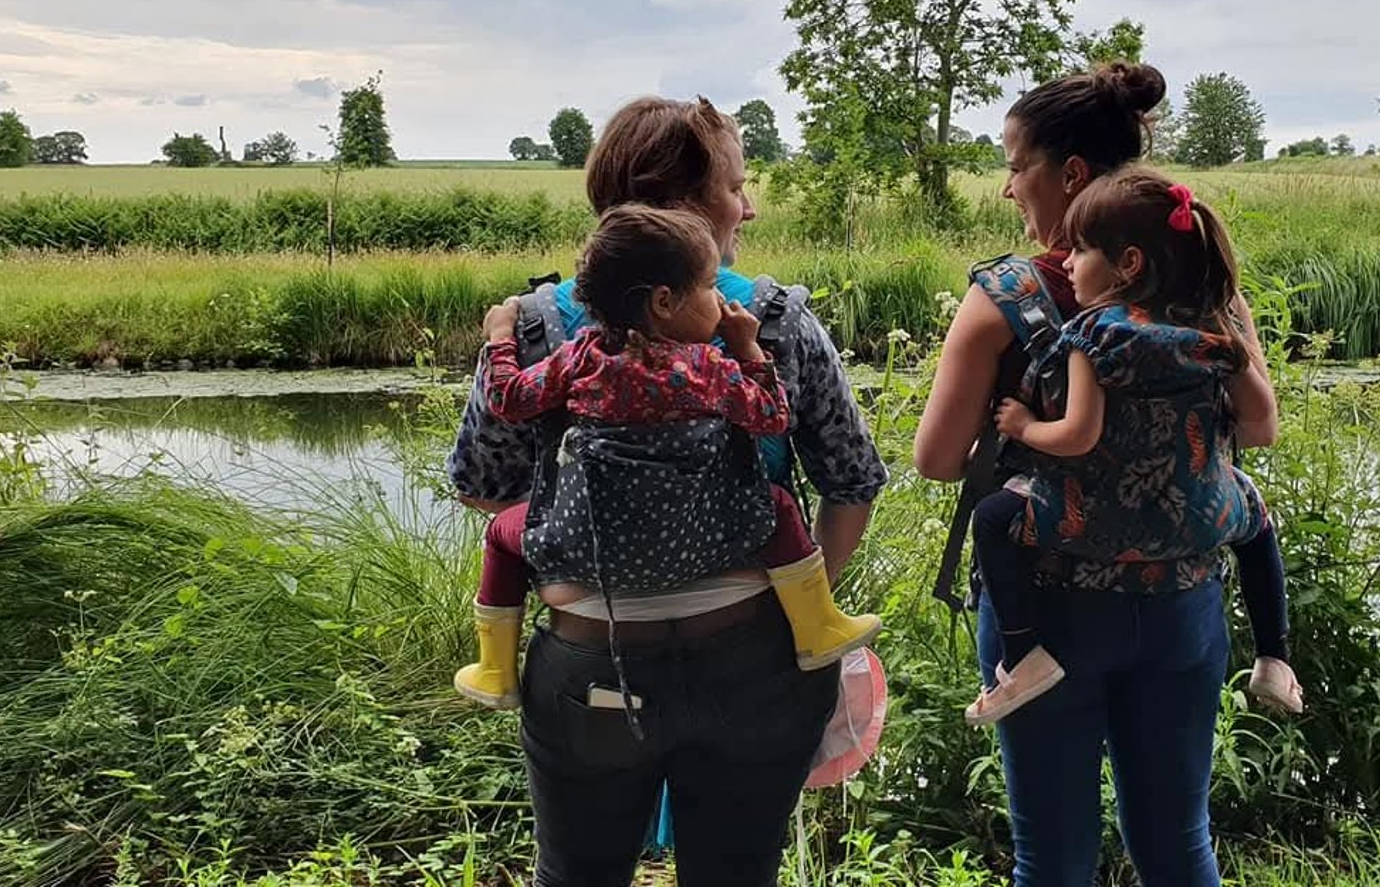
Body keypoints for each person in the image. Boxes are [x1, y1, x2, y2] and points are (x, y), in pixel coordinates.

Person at [446, 95, 886, 887]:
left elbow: (482, 485)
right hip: (757, 663)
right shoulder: (772, 321)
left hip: (590, 666)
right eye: (735, 186)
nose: (747, 206)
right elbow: (852, 480)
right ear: (679, 201)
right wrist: (801, 605)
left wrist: (590, 531)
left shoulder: (542, 327)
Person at [913, 62, 1281, 886]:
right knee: (1180, 846)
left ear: (1070, 173)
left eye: (1015, 164)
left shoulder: (1006, 293)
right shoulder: (1205, 293)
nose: (1010, 189)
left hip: (1046, 610)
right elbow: (1255, 427)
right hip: (1182, 599)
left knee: (1054, 859)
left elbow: (936, 462)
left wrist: (1020, 425)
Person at [452, 204, 880, 710]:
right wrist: (748, 346)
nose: (720, 298)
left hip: (592, 553)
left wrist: (501, 337)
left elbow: (509, 399)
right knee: (779, 505)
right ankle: (818, 624)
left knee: (502, 539)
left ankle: (496, 667)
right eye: (707, 287)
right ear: (663, 301)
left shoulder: (576, 358)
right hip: (706, 542)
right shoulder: (705, 368)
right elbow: (772, 415)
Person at [964, 167, 1300, 726]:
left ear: (1130, 264)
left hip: (1089, 525)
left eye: (1081, 250)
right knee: (1258, 522)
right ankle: (1273, 657)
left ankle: (1022, 657)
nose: (1066, 261)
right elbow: (1262, 429)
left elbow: (1078, 436)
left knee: (994, 518)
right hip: (1198, 520)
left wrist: (1022, 426)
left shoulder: (1095, 334)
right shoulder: (1214, 328)